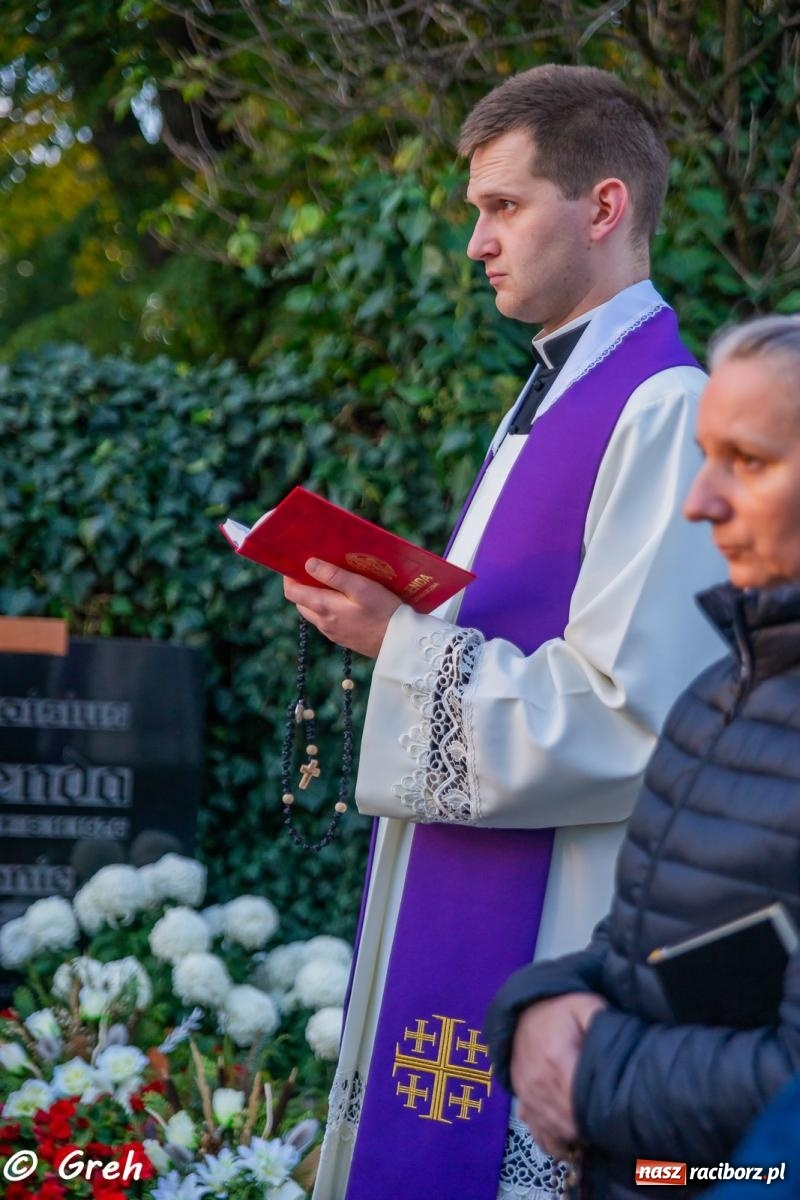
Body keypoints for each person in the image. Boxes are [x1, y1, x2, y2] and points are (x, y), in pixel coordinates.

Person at [284, 64, 724, 1200]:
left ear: (604, 206)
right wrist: (394, 609)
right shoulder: (549, 399)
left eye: (502, 206)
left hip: (565, 904)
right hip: (477, 876)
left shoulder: (660, 407)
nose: (476, 241)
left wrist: (401, 645)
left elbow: (633, 715)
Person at [485, 314, 800, 1200]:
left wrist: (587, 1075)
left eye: (750, 461)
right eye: (706, 456)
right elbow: (643, 944)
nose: (699, 503)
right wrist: (538, 1005)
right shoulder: (717, 695)